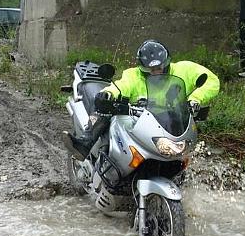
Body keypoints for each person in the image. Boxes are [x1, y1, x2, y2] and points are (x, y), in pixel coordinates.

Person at [65, 40, 220, 159]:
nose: (157, 72)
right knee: (106, 111)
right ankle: (86, 143)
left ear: (167, 62)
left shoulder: (185, 69)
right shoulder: (134, 75)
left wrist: (195, 99)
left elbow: (212, 81)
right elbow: (121, 86)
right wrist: (109, 93)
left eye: (160, 67)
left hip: (167, 124)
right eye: (151, 70)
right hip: (139, 122)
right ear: (143, 68)